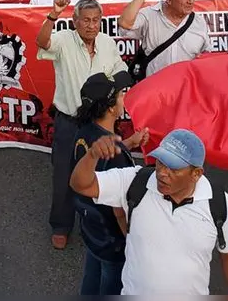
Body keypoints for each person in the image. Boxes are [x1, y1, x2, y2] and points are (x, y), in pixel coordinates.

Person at [69, 128, 228, 295]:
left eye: (173, 168)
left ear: (196, 173)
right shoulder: (134, 181)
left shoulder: (218, 203)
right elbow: (81, 185)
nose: (161, 173)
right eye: (160, 162)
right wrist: (92, 155)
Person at [37, 0, 127, 250]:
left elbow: (119, 69)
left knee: (106, 172)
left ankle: (107, 221)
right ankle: (61, 225)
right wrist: (53, 15)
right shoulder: (64, 40)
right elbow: (42, 42)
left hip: (100, 124)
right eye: (85, 20)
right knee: (64, 173)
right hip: (69, 121)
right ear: (75, 21)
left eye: (95, 20)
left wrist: (119, 94)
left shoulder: (108, 43)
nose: (90, 25)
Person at [71, 71, 142, 295]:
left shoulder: (85, 132)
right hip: (113, 240)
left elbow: (99, 164)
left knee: (90, 281)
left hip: (91, 229)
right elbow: (119, 211)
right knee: (111, 286)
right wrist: (131, 240)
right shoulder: (116, 156)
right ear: (111, 107)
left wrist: (128, 143)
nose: (124, 98)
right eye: (121, 94)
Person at [120, 0, 210, 76]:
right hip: (155, 86)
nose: (191, 1)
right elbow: (125, 23)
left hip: (186, 87)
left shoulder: (199, 22)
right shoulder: (149, 15)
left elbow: (206, 52)